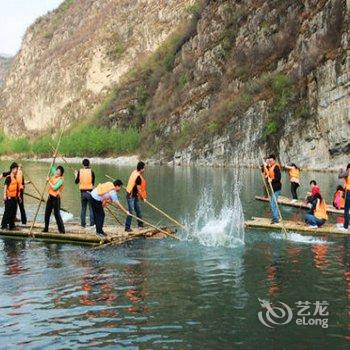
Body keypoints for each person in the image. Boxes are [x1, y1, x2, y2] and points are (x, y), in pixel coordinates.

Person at [125, 161, 147, 232]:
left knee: (138, 210)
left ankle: (140, 225)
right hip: (130, 195)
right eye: (144, 168)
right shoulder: (138, 178)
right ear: (141, 169)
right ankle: (127, 227)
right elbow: (139, 190)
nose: (144, 170)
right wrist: (143, 198)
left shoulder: (134, 172)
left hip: (134, 195)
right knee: (131, 211)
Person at [43, 165, 65, 234]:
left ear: (61, 173)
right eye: (57, 171)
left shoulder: (61, 180)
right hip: (50, 198)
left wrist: (48, 181)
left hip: (56, 199)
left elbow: (54, 188)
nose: (57, 172)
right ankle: (46, 228)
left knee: (57, 215)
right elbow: (52, 167)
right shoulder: (54, 174)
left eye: (59, 172)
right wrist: (54, 156)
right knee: (47, 213)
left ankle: (62, 230)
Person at [74, 159, 95, 228]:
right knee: (91, 208)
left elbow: (76, 182)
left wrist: (76, 175)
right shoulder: (92, 172)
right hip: (90, 192)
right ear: (89, 164)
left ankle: (83, 224)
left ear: (82, 164)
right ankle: (92, 224)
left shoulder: (80, 171)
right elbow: (93, 183)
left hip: (83, 192)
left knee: (83, 209)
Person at [1, 162, 20, 230]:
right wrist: (4, 195)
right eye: (15, 169)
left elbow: (17, 188)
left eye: (17, 169)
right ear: (12, 169)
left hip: (14, 197)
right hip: (8, 197)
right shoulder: (9, 177)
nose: (16, 170)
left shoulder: (15, 177)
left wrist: (19, 196)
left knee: (13, 211)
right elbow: (5, 186)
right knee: (7, 211)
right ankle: (4, 225)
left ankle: (12, 226)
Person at [264, 155, 281, 224]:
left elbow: (278, 178)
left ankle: (276, 219)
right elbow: (265, 169)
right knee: (273, 203)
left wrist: (272, 180)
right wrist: (264, 165)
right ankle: (275, 217)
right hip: (273, 188)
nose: (270, 162)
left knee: (273, 203)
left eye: (271, 161)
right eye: (269, 161)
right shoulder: (270, 166)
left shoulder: (276, 167)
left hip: (277, 188)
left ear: (274, 160)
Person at [338, 163, 350, 231]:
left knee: (346, 210)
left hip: (349, 192)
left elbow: (340, 176)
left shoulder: (348, 171)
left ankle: (345, 227)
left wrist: (340, 169)